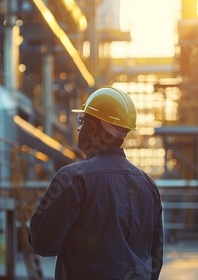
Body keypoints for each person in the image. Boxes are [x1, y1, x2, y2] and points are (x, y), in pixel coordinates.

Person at [29, 87, 163, 280]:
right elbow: (155, 257)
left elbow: (43, 244)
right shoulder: (148, 185)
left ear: (92, 128)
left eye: (82, 122)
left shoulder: (73, 178)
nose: (78, 129)